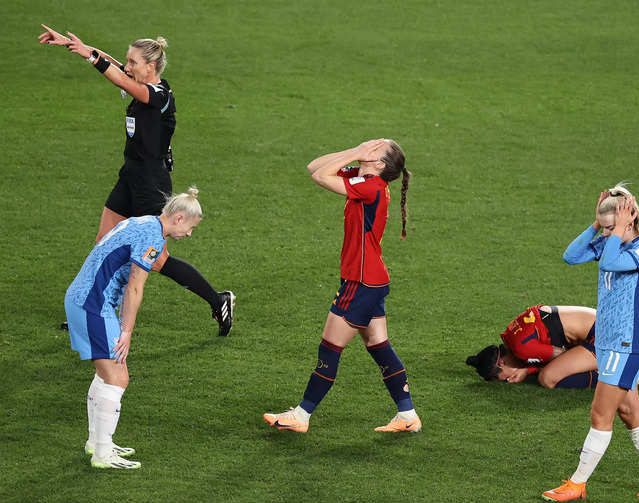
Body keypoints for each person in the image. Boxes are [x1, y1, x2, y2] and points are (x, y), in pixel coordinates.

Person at [38, 25, 234, 336]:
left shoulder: (159, 95)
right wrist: (76, 45)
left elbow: (116, 75)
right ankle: (95, 312)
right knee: (104, 245)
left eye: (133, 62)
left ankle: (218, 300)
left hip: (151, 184)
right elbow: (115, 67)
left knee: (156, 261)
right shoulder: (138, 82)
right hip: (129, 176)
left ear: (151, 66)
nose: (127, 67)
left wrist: (89, 55)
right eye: (128, 62)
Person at [263, 139, 421, 433]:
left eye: (376, 147)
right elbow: (314, 167)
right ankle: (407, 414)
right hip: (371, 280)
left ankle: (301, 415)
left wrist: (355, 153)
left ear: (381, 165)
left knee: (330, 347)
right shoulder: (364, 179)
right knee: (378, 346)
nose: (370, 145)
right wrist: (358, 152)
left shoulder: (371, 187)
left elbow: (320, 177)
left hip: (360, 282)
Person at [542, 184, 639, 501]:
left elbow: (610, 264)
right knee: (630, 412)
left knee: (599, 414)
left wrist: (614, 233)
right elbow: (571, 255)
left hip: (627, 344)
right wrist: (596, 225)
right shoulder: (609, 242)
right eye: (602, 228)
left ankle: (577, 484)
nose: (605, 233)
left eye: (611, 226)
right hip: (606, 342)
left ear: (629, 220)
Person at [65, 188, 204, 469]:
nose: (190, 234)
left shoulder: (141, 221)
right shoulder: (152, 237)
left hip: (85, 298)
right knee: (118, 378)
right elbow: (135, 288)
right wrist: (126, 331)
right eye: (191, 228)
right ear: (178, 218)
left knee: (108, 374)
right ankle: (103, 454)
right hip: (93, 304)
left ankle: (97, 442)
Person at [466, 305, 639, 389]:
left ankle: (622, 374)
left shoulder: (522, 349)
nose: (506, 380)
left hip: (613, 338)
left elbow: (563, 356)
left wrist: (529, 370)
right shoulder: (511, 335)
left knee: (548, 378)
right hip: (612, 328)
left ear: (502, 362)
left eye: (500, 378)